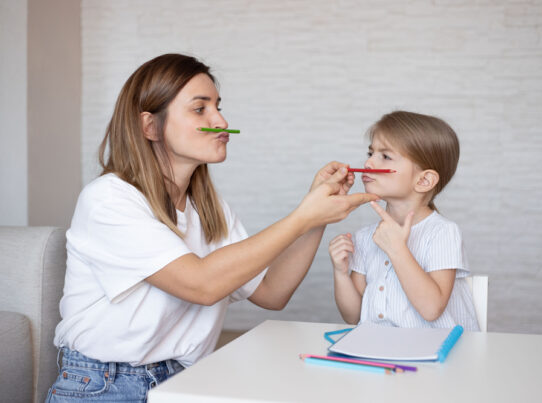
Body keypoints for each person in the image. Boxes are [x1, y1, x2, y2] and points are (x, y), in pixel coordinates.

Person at [45, 53, 378, 402]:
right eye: (200, 108)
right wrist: (303, 217)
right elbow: (201, 284)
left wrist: (317, 217)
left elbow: (272, 292)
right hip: (105, 385)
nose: (221, 120)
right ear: (150, 126)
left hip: (188, 379)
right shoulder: (109, 200)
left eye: (218, 106)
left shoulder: (210, 209)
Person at [328, 110, 479, 331]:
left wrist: (397, 249)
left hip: (437, 354)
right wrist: (340, 272)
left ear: (424, 180)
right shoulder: (364, 237)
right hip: (383, 353)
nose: (368, 163)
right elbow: (353, 316)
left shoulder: (443, 232)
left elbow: (431, 309)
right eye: (370, 153)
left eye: (385, 156)